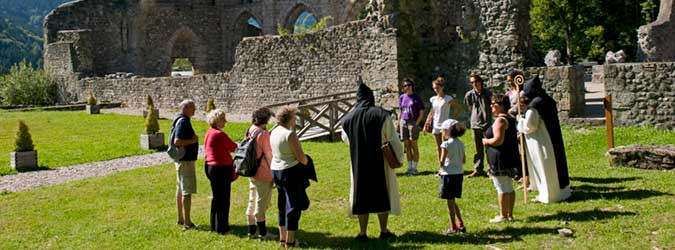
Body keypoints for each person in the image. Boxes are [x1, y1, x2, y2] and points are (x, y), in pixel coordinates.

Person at [342, 83, 403, 241]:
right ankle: (383, 230)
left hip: (358, 162)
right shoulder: (381, 115)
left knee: (361, 195)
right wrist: (398, 158)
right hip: (379, 161)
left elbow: (346, 140)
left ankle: (363, 232)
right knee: (382, 193)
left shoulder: (348, 119)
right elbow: (392, 138)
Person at [517, 76, 571, 203]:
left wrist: (520, 120)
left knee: (544, 165)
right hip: (553, 136)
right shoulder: (547, 100)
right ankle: (561, 192)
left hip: (541, 140)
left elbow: (531, 126)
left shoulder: (534, 105)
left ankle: (549, 195)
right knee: (555, 164)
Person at [270, 106, 309, 248]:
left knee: (282, 204)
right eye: (294, 117)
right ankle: (291, 241)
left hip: (276, 170)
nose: (295, 119)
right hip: (290, 171)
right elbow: (301, 157)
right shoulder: (289, 134)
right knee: (293, 205)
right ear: (290, 118)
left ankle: (282, 238)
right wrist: (307, 161)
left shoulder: (273, 131)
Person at [482, 95, 520, 223]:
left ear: (501, 105)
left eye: (494, 104)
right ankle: (509, 214)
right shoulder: (509, 118)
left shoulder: (501, 120)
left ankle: (503, 215)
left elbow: (498, 140)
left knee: (502, 187)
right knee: (508, 186)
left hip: (500, 158)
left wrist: (486, 141)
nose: (491, 106)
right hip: (508, 156)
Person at [245, 107, 277, 240]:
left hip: (252, 170)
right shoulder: (263, 134)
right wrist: (274, 172)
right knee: (261, 204)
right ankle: (263, 233)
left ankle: (252, 230)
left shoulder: (250, 129)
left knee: (252, 200)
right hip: (263, 172)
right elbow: (269, 156)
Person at [204, 109, 238, 234]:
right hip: (220, 168)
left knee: (217, 198)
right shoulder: (219, 134)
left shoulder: (209, 132)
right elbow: (233, 147)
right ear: (217, 120)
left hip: (211, 167)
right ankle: (222, 227)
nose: (225, 121)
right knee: (223, 199)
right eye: (223, 119)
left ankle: (215, 225)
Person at [172, 99, 199, 230]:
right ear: (186, 108)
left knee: (180, 190)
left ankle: (180, 218)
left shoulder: (178, 118)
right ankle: (187, 222)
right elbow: (177, 141)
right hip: (186, 161)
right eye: (193, 108)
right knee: (186, 191)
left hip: (180, 160)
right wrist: (193, 141)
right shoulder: (183, 121)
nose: (195, 110)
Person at [437, 119, 467, 234]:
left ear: (447, 131)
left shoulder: (445, 144)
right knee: (453, 200)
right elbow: (463, 160)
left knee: (449, 204)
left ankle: (453, 227)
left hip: (448, 175)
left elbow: (441, 161)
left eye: (442, 131)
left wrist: (442, 168)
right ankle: (460, 223)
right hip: (459, 174)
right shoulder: (461, 143)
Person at [424, 77, 464, 161]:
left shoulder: (447, 98)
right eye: (434, 88)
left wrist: (452, 119)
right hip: (435, 125)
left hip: (444, 126)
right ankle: (441, 167)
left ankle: (448, 165)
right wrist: (426, 123)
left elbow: (459, 107)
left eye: (437, 87)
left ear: (442, 87)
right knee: (438, 147)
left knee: (445, 147)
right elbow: (432, 112)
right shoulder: (433, 99)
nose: (436, 89)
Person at [464, 73, 492, 177]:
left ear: (481, 82)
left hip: (487, 124)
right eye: (472, 82)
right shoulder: (469, 95)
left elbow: (492, 107)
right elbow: (469, 107)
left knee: (489, 148)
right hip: (475, 124)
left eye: (476, 81)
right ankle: (478, 169)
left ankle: (491, 170)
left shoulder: (488, 93)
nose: (474, 84)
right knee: (477, 149)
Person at [398, 78, 425, 175]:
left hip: (413, 122)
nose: (407, 87)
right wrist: (398, 123)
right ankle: (409, 167)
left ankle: (414, 168)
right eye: (405, 85)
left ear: (412, 86)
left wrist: (416, 124)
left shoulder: (416, 97)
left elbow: (421, 112)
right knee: (407, 146)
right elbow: (401, 111)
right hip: (403, 122)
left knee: (414, 145)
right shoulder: (402, 97)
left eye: (408, 85)